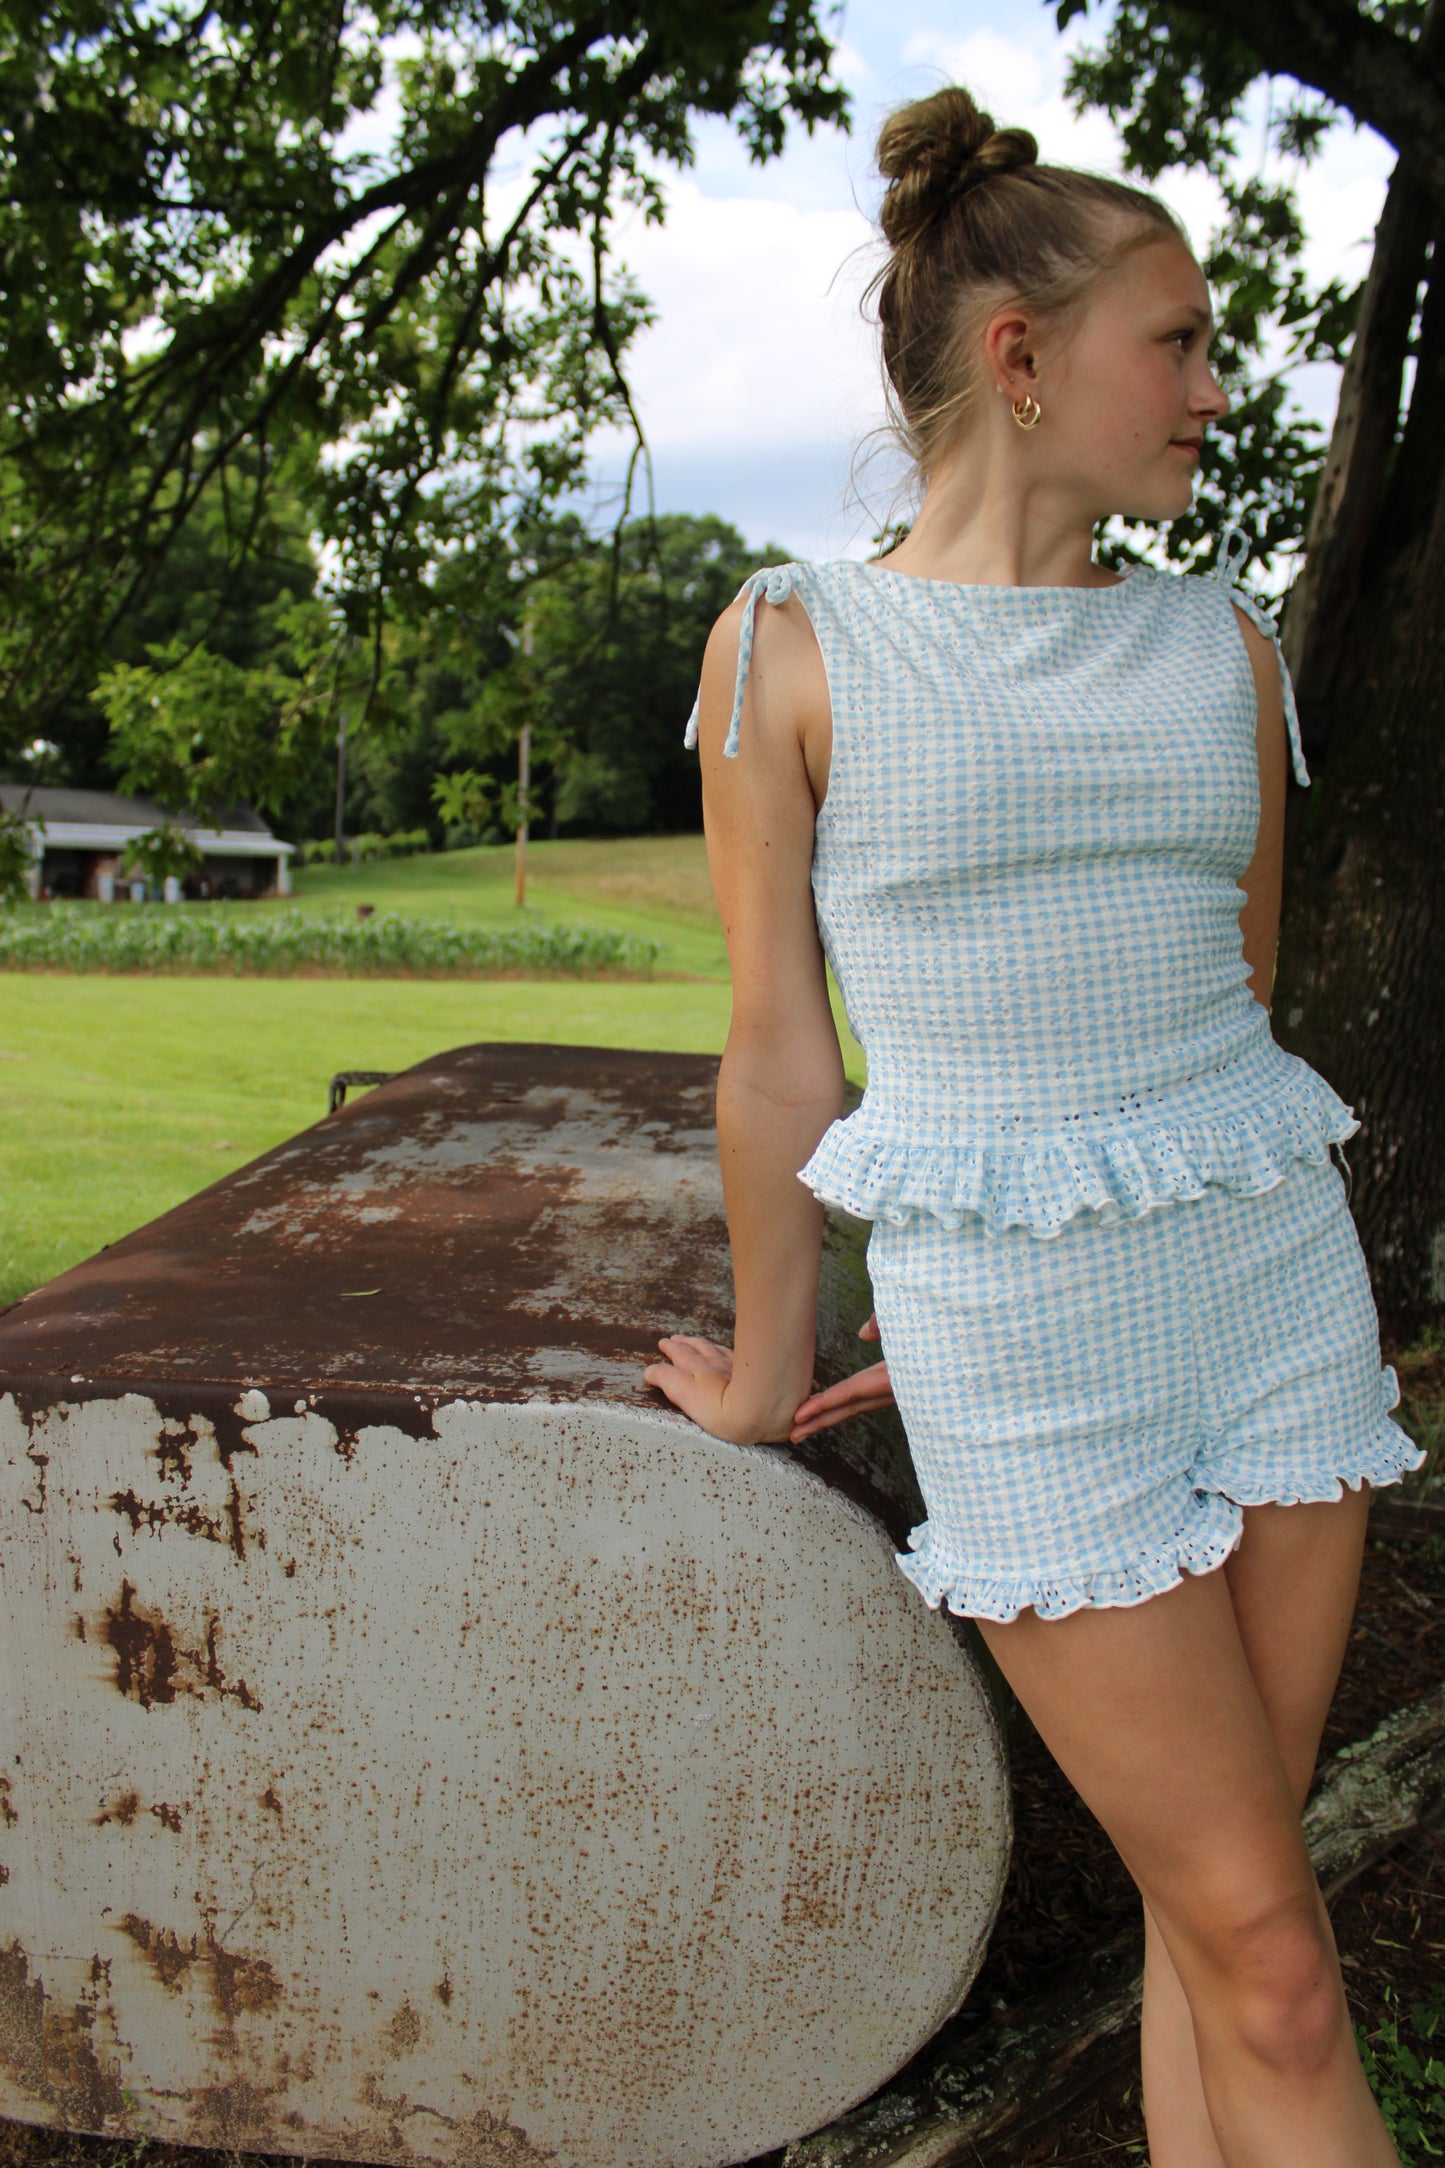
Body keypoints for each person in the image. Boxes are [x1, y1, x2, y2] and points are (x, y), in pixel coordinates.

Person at [644, 83, 1425, 2168]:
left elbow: (1237, 1004)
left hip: (1272, 1295)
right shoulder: (793, 644)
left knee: (1219, 1929)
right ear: (1019, 356)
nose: (1213, 389)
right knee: (1275, 1955)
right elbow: (781, 1052)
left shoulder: (1222, 644)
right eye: (1177, 342)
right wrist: (781, 1365)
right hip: (1029, 1362)